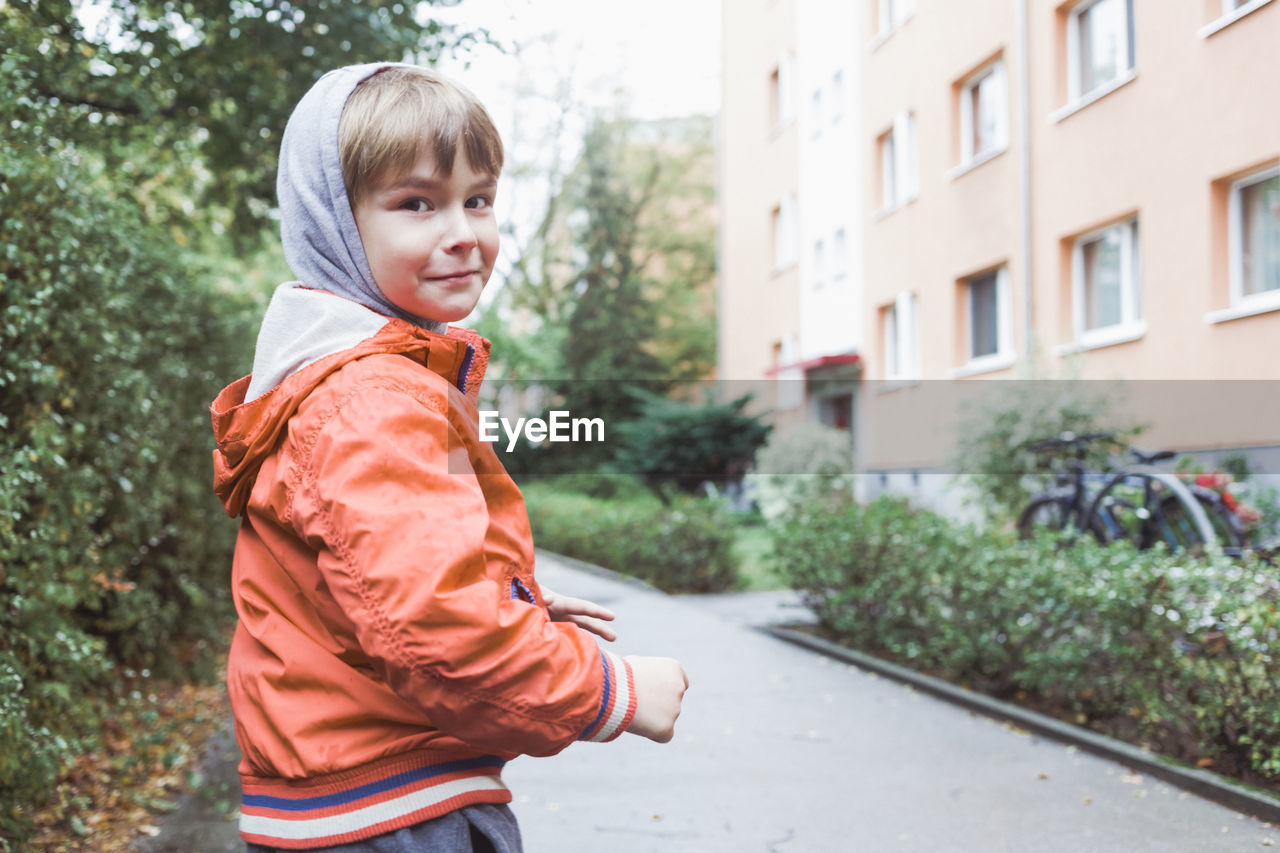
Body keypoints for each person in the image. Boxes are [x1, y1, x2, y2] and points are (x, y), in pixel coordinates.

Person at [210, 63, 689, 853]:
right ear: (335, 223)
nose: (464, 232)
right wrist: (611, 690)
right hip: (395, 813)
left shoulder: (347, 382)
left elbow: (377, 588)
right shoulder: (373, 396)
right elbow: (435, 628)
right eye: (416, 204)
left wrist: (506, 596)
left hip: (354, 797)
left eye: (478, 199)